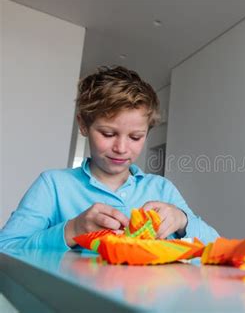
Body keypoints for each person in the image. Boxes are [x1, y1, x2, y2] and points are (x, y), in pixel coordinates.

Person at [0, 66, 219, 250]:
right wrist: (72, 229)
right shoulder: (53, 185)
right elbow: (6, 248)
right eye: (108, 134)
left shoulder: (162, 189)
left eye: (135, 137)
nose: (121, 148)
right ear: (84, 125)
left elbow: (217, 248)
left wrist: (182, 220)